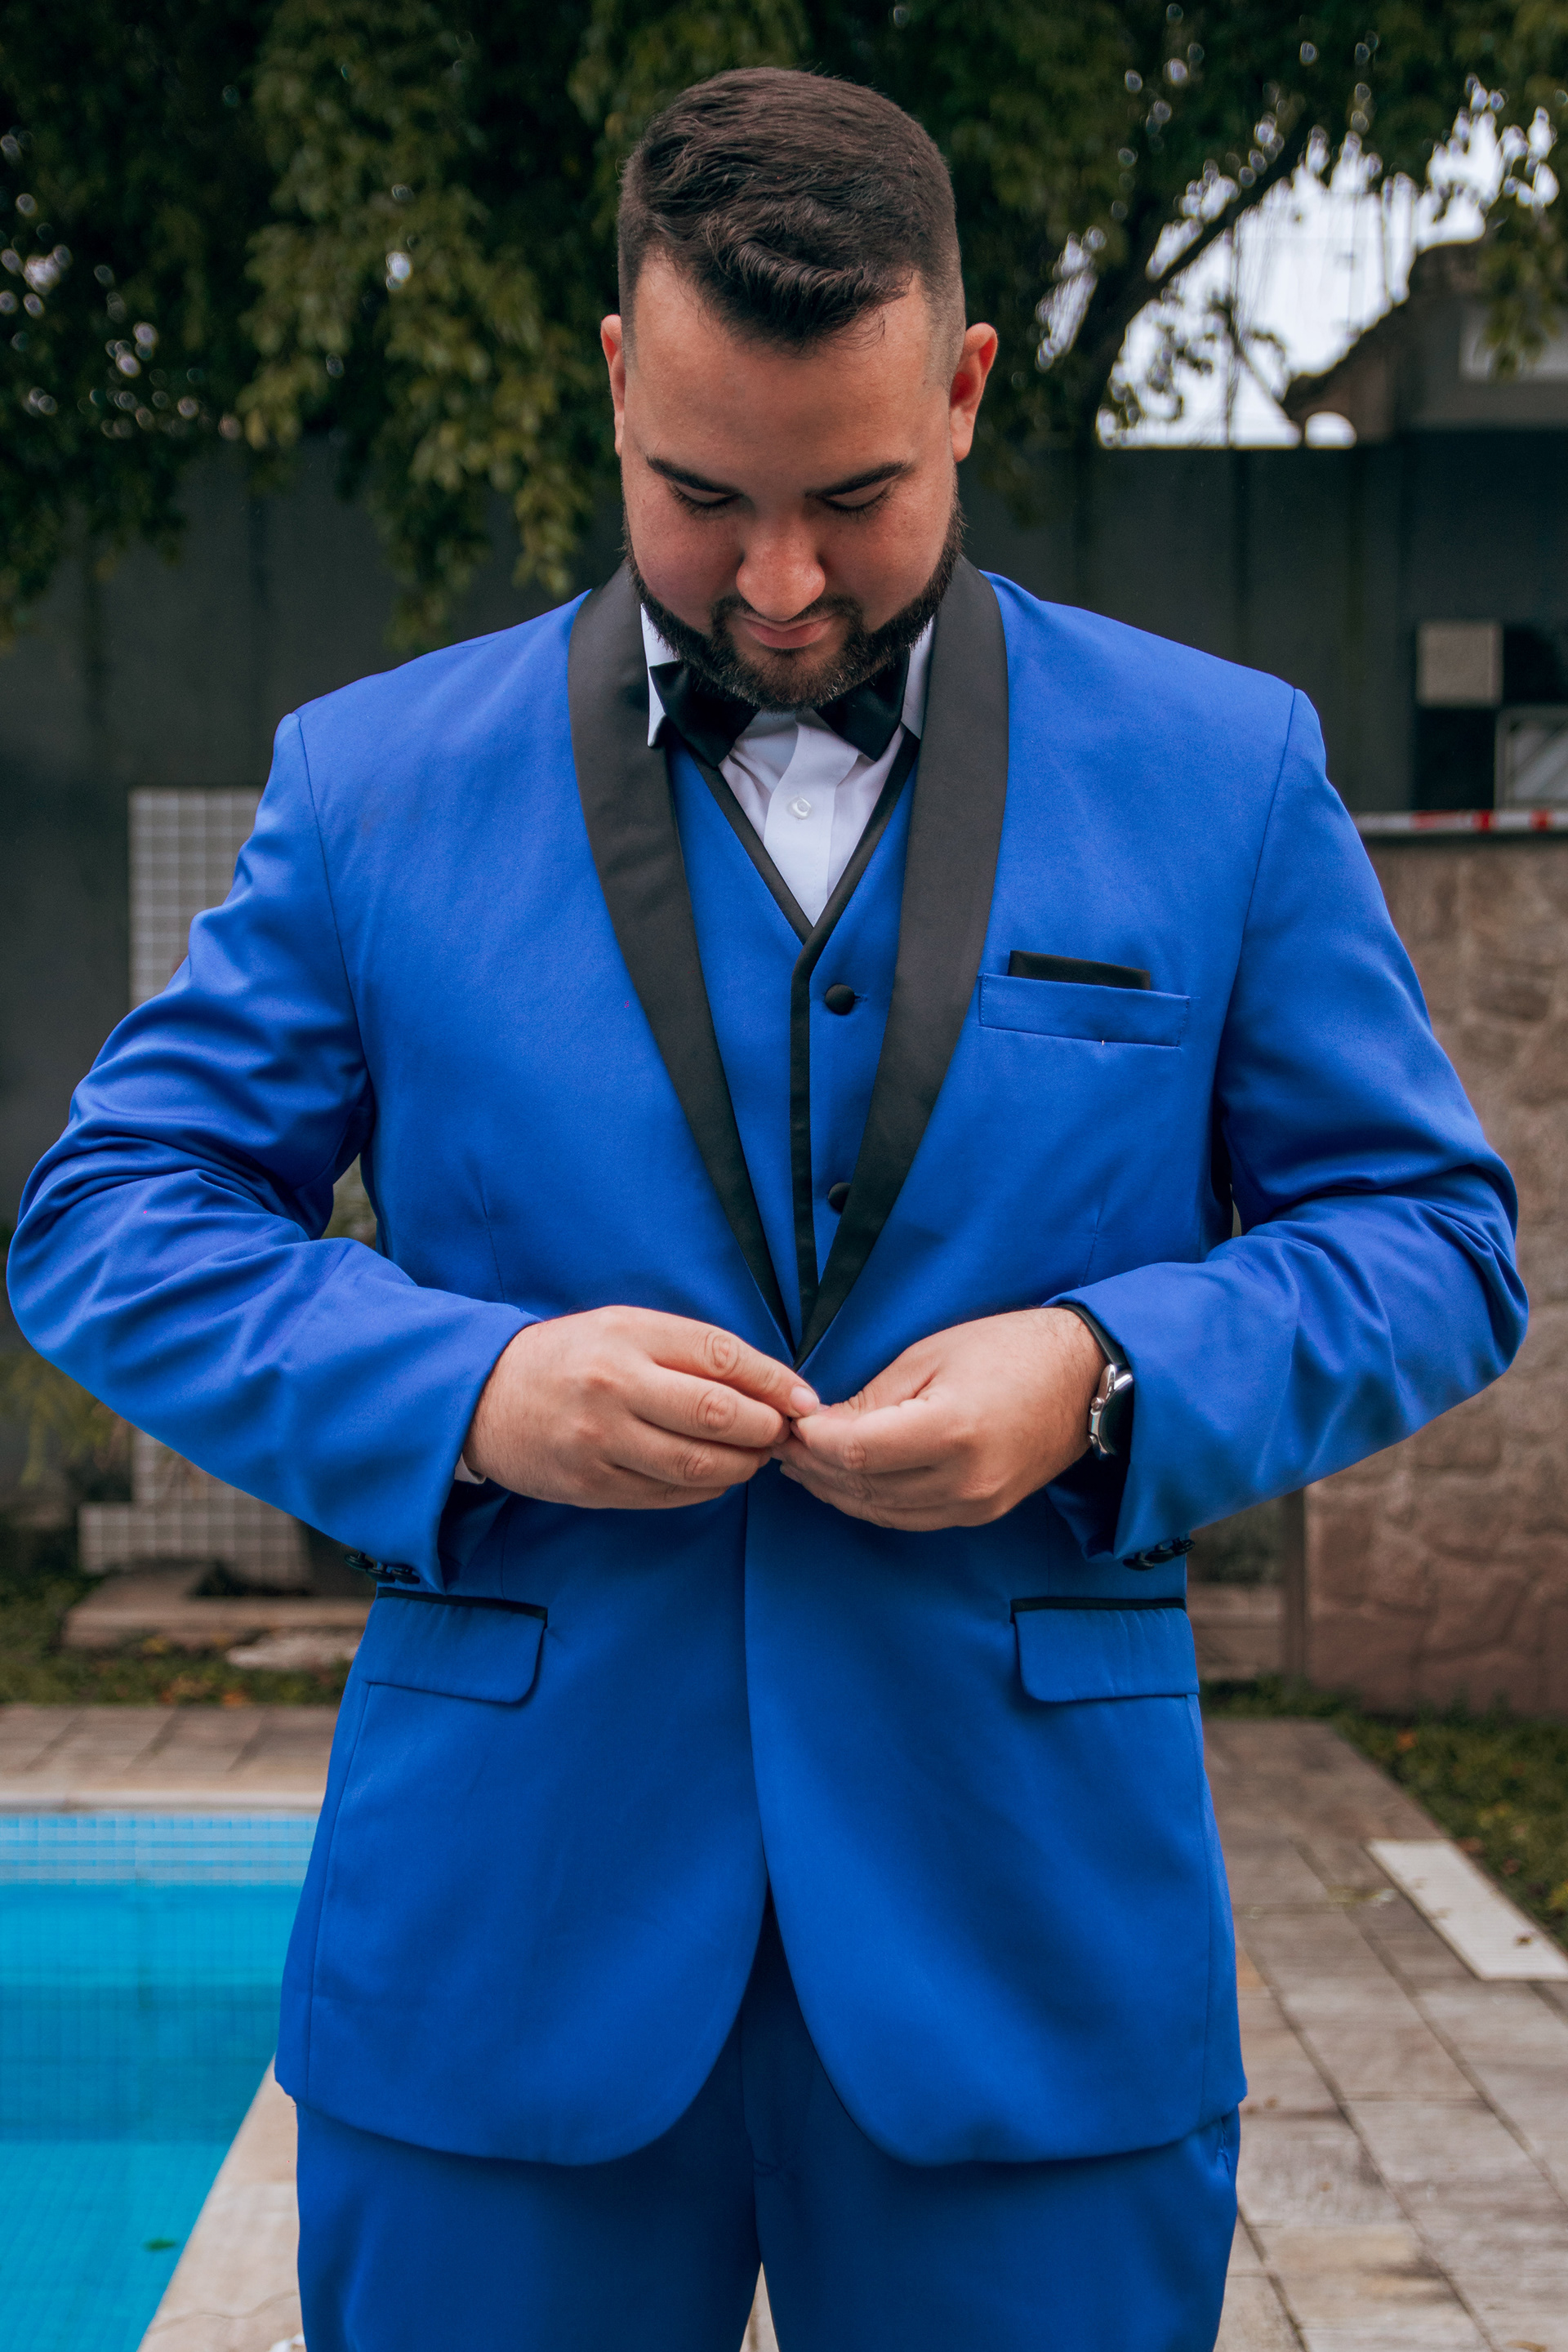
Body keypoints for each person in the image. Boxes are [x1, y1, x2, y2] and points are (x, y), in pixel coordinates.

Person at [8, 66, 1524, 2352]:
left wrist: (1101, 1376)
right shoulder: (375, 784)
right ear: (617, 376)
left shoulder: (1224, 772)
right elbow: (113, 1214)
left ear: (968, 390)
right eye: (703, 497)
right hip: (506, 1950)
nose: (783, 585)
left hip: (1027, 1949)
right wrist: (478, 1387)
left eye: (858, 497)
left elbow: (1433, 1236)